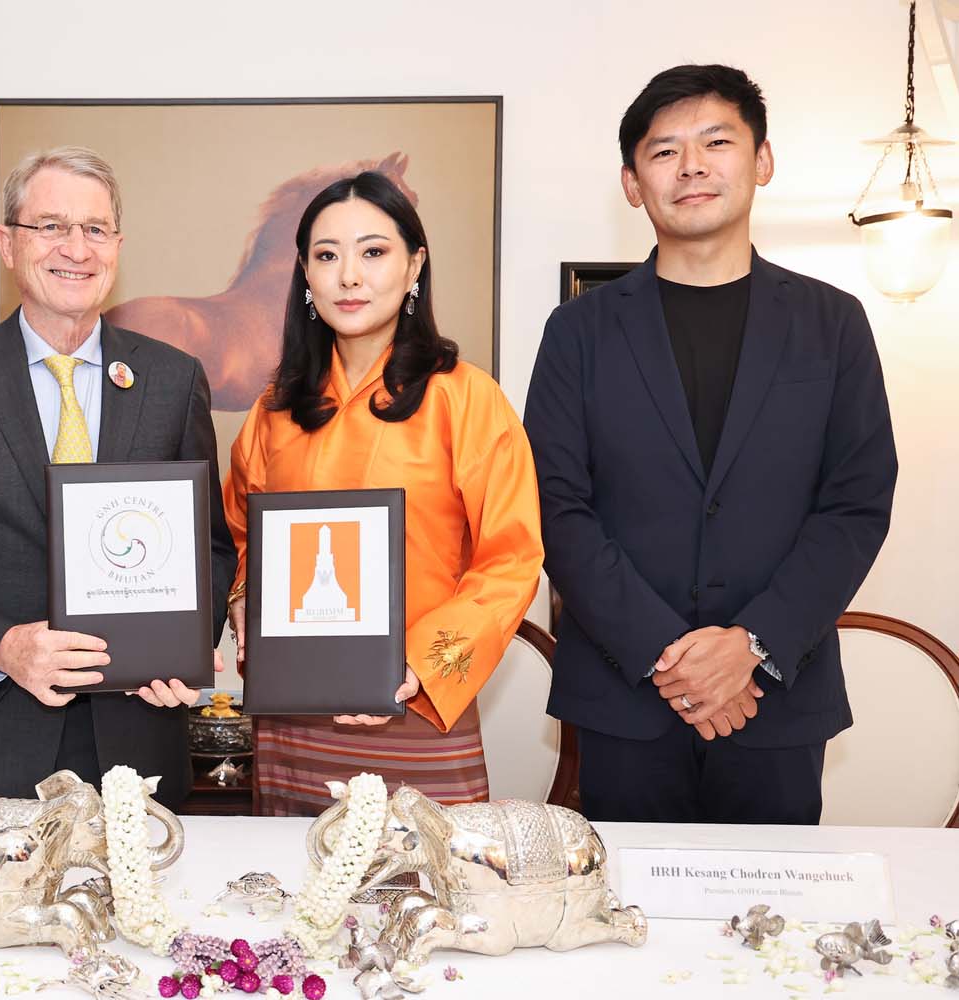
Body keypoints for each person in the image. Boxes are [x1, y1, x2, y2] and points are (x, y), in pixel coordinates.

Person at [525, 64, 897, 824]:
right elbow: (556, 507)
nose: (691, 166)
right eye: (664, 152)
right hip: (625, 698)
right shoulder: (578, 332)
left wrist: (751, 645)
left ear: (762, 160)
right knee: (623, 899)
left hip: (776, 698)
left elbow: (856, 506)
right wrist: (671, 657)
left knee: (773, 903)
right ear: (632, 184)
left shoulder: (832, 323)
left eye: (716, 142)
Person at [0, 146, 235, 809]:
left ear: (117, 246)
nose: (76, 248)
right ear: (7, 243)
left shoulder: (173, 379)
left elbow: (209, 549)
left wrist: (183, 648)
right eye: (51, 226)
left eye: (95, 228)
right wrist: (4, 647)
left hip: (140, 739)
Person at [223, 171, 544, 816]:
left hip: (417, 708)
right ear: (305, 274)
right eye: (327, 255)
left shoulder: (466, 399)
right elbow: (243, 539)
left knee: (426, 875)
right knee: (291, 877)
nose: (349, 276)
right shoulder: (274, 410)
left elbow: (511, 560)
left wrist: (420, 666)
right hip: (293, 722)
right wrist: (243, 602)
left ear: (414, 264)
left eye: (373, 251)